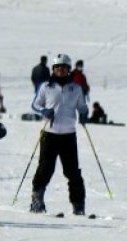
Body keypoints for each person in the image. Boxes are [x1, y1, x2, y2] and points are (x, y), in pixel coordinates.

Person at [29, 53, 89, 217]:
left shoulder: (76, 88)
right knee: (45, 169)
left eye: (63, 67)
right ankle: (37, 200)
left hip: (69, 135)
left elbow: (82, 106)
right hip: (50, 134)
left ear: (68, 69)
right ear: (53, 69)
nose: (60, 70)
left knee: (73, 172)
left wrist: (84, 114)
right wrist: (44, 110)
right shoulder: (46, 87)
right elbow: (35, 104)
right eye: (57, 68)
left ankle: (78, 204)